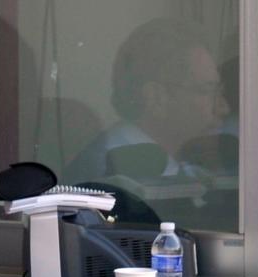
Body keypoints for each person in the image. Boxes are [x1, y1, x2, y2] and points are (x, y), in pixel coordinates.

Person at [63, 18, 232, 185]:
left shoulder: (185, 167)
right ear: (157, 98)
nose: (224, 107)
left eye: (220, 92)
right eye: (207, 90)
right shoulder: (108, 176)